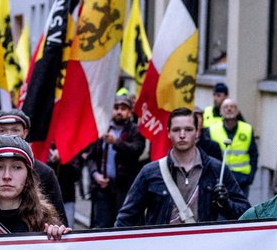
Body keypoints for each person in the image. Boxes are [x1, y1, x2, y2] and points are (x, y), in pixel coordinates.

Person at [115, 108, 249, 227]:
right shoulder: (150, 172)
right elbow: (126, 218)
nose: (182, 135)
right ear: (168, 133)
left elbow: (245, 213)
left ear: (197, 132)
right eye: (176, 130)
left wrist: (225, 204)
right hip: (161, 249)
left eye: (188, 129)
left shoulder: (216, 170)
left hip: (203, 249)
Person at [0, 108, 69, 225]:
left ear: (25, 132)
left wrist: (56, 231)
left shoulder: (45, 173)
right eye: (2, 130)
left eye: (15, 130)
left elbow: (59, 222)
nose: (9, 135)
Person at [85, 90, 145, 228]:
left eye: (123, 109)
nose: (119, 112)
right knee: (101, 228)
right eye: (116, 108)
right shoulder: (103, 129)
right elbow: (91, 157)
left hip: (124, 189)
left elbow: (137, 150)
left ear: (130, 112)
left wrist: (116, 142)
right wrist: (95, 175)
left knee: (122, 226)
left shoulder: (135, 130)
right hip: (102, 188)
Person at [205, 97, 258, 194]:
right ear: (220, 111)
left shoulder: (247, 129)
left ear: (238, 111)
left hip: (241, 180)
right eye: (225, 107)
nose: (229, 109)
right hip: (218, 179)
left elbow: (254, 154)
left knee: (241, 209)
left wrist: (250, 177)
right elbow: (206, 156)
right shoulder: (211, 130)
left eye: (232, 107)